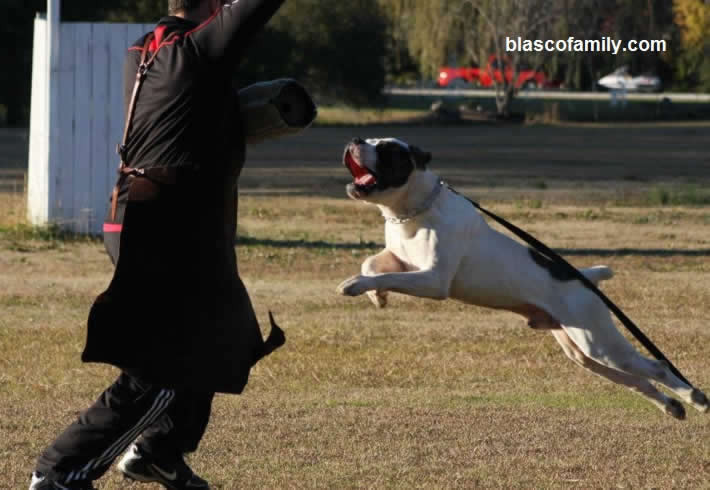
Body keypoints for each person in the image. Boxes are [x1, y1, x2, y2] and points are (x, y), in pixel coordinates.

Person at [30, 0, 287, 488]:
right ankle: (58, 472)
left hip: (148, 215)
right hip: (167, 224)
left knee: (220, 338)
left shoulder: (145, 49)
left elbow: (186, 116)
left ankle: (159, 453)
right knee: (160, 371)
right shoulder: (196, 49)